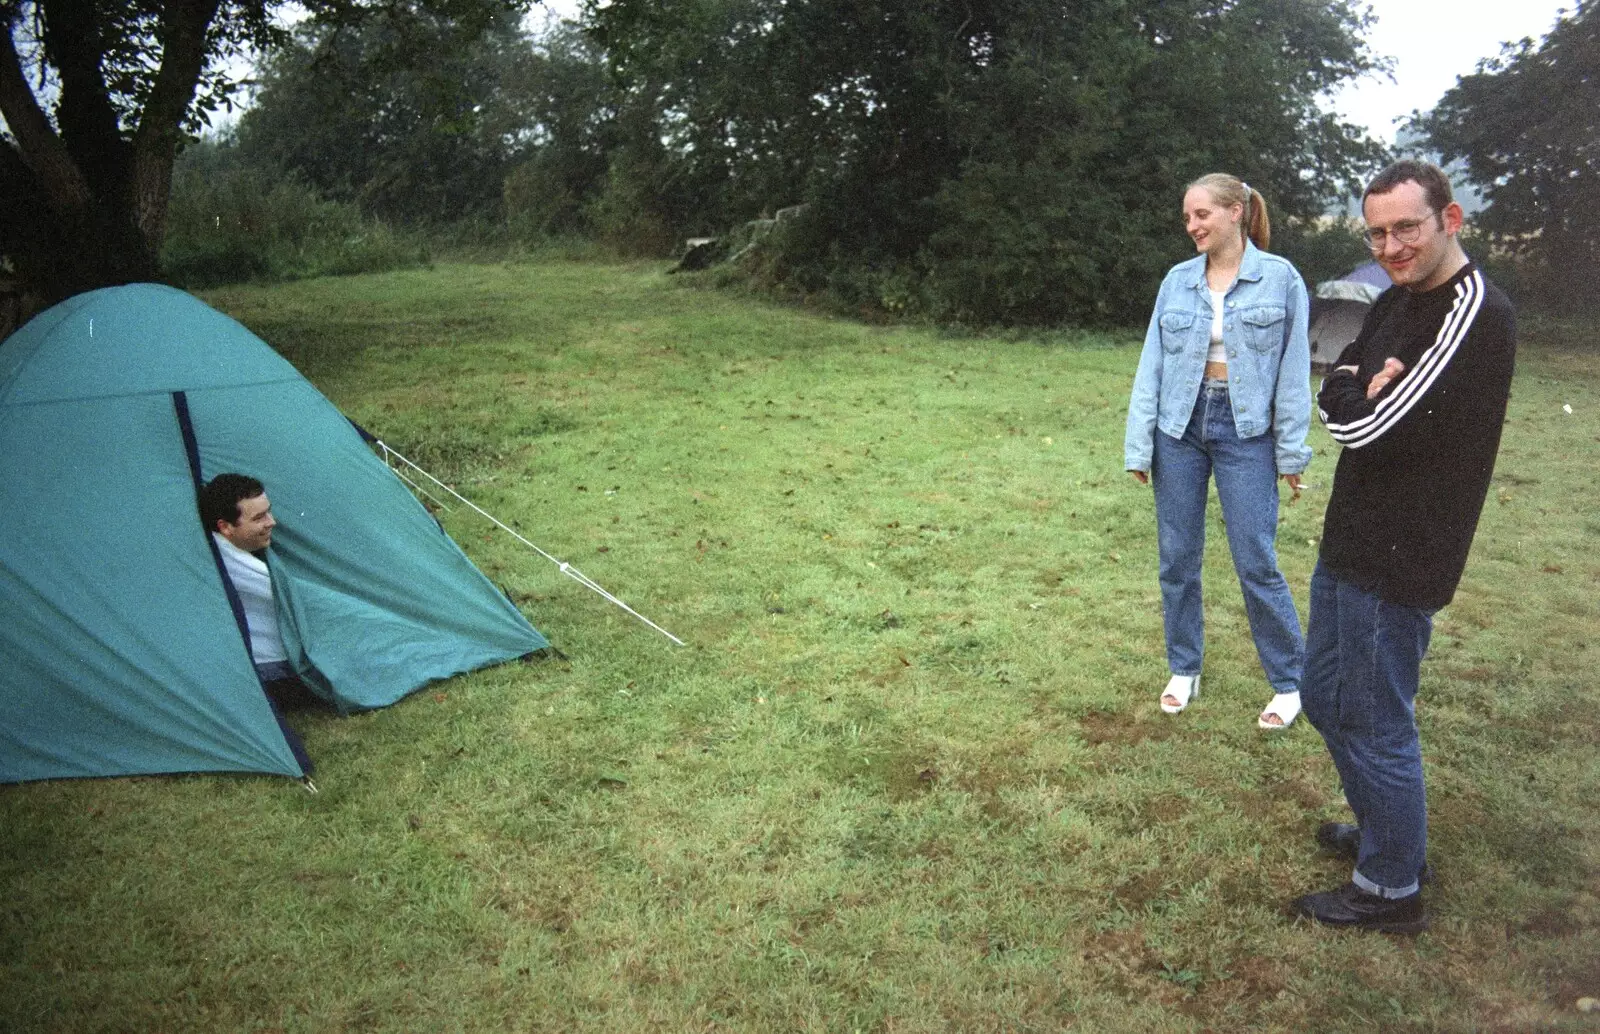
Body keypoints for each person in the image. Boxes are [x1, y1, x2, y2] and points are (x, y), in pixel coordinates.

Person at [1290, 160, 1516, 933]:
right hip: (1351, 537)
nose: (1391, 245)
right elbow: (1340, 386)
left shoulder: (1472, 312)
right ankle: (1391, 833)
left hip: (1402, 557)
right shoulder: (1394, 299)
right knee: (1323, 696)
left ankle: (1391, 886)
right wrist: (1355, 381)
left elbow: (1358, 424)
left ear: (1450, 220)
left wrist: (1351, 391)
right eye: (1377, 231)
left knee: (1377, 717)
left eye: (1406, 227)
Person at [1124, 173, 1312, 729]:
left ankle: (1289, 682)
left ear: (1236, 212)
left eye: (1201, 214)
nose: (1192, 226)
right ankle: (1184, 669)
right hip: (1178, 429)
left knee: (1256, 559)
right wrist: (1140, 446)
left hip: (1246, 431)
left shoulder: (1281, 280)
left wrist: (1291, 455)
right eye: (1187, 217)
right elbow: (1151, 365)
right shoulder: (1177, 281)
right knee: (1177, 558)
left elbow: (1294, 372)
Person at [198, 473, 319, 772]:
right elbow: (306, 603)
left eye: (269, 511)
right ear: (225, 528)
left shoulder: (242, 548)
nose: (272, 522)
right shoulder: (228, 564)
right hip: (273, 672)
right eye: (259, 517)